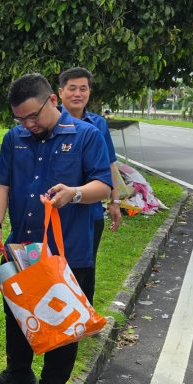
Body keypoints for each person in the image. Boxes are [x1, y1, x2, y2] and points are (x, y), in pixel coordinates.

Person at [0, 73, 111, 384]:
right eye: (20, 119)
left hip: (68, 249)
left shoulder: (86, 136)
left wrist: (75, 194)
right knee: (19, 310)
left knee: (62, 320)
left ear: (51, 101)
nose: (28, 124)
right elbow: (0, 182)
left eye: (33, 116)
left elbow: (105, 186)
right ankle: (19, 371)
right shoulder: (15, 139)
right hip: (23, 245)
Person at [56, 66, 123, 259]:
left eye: (83, 89)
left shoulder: (98, 124)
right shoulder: (50, 122)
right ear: (60, 92)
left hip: (90, 212)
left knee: (84, 269)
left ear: (89, 92)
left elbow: (110, 164)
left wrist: (115, 201)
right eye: (72, 88)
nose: (78, 94)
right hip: (57, 211)